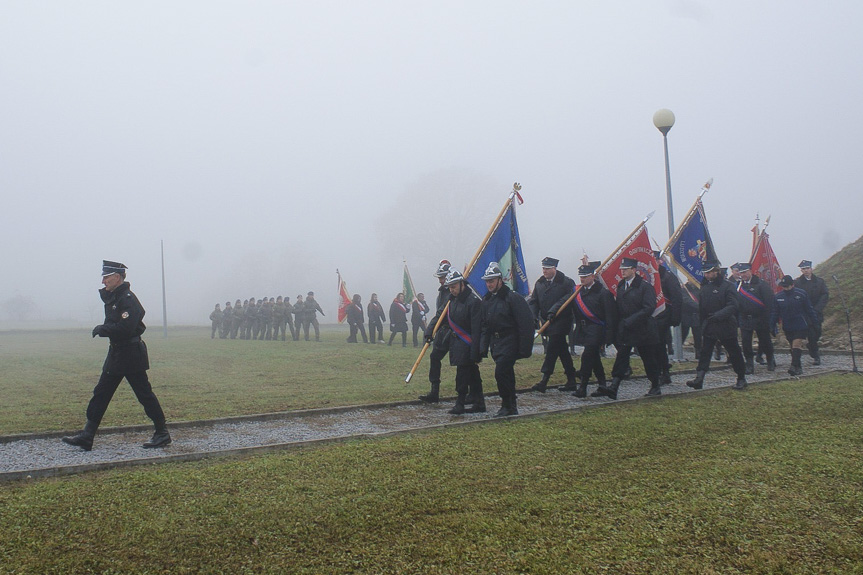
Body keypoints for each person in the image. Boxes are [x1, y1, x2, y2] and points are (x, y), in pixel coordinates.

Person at [62, 261, 171, 451]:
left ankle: (162, 433)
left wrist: (102, 329)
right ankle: (87, 435)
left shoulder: (127, 299)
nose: (103, 281)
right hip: (118, 353)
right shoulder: (114, 298)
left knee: (144, 394)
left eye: (107, 277)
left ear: (118, 277)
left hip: (130, 355)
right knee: (101, 393)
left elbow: (126, 328)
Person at [592, 258, 663, 400]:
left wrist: (631, 320)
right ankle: (614, 387)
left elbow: (649, 308)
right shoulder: (621, 285)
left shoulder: (645, 286)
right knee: (622, 357)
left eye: (626, 269)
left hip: (644, 329)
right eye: (622, 269)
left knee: (648, 359)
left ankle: (655, 385)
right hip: (626, 329)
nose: (623, 271)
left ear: (634, 270)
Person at [424, 269, 485, 414]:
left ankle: (460, 403)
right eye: (450, 287)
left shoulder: (473, 302)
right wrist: (429, 331)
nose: (452, 289)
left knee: (463, 374)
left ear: (462, 284)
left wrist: (477, 350)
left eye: (454, 286)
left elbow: (477, 328)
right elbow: (441, 317)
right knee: (473, 374)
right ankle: (479, 402)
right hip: (456, 342)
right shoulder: (451, 301)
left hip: (468, 342)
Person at [479, 262, 534, 417]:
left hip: (510, 340)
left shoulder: (513, 298)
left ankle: (506, 403)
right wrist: (483, 347)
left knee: (501, 372)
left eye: (492, 281)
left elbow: (526, 323)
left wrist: (524, 348)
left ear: (500, 280)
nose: (489, 284)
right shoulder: (487, 301)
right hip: (496, 343)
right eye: (487, 281)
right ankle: (511, 404)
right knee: (506, 373)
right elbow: (484, 325)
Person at [686, 261, 748, 391]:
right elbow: (702, 307)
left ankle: (741, 377)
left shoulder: (728, 286)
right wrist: (702, 322)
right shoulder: (704, 287)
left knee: (734, 352)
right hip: (709, 324)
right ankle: (699, 378)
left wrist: (719, 315)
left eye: (709, 272)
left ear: (716, 271)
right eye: (706, 273)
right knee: (705, 353)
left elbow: (733, 305)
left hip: (725, 324)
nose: (707, 275)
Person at [527, 257, 577, 392]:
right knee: (562, 351)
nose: (545, 271)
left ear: (555, 268)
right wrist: (533, 317)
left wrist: (553, 310)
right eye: (543, 268)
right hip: (546, 322)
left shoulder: (566, 282)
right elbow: (534, 301)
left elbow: (568, 298)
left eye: (548, 268)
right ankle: (571, 379)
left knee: (552, 349)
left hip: (561, 321)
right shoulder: (540, 283)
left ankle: (544, 379)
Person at [570, 261, 616, 398]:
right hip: (584, 329)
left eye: (585, 277)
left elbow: (610, 316)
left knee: (587, 356)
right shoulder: (578, 291)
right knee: (594, 358)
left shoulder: (603, 293)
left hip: (597, 329)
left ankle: (583, 387)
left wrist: (608, 336)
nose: (582, 279)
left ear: (592, 276)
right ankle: (602, 384)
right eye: (581, 277)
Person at [771, 274, 818, 375]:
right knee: (793, 347)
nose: (785, 288)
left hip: (800, 324)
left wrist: (815, 322)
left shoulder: (801, 294)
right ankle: (798, 366)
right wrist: (772, 325)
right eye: (784, 286)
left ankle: (793, 365)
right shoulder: (778, 297)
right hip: (787, 325)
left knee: (797, 343)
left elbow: (809, 309)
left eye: (787, 286)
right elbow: (775, 312)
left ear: (792, 285)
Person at [419, 260, 452, 403]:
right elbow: (439, 314)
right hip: (443, 331)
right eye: (439, 277)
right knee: (434, 357)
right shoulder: (442, 293)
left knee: (465, 364)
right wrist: (430, 332)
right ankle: (434, 391)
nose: (440, 281)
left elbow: (441, 313)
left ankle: (473, 394)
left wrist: (429, 329)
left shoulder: (452, 291)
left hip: (456, 332)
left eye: (442, 277)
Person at [736, 262, 775, 373]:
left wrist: (769, 319)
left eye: (745, 272)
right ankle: (749, 364)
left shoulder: (761, 285)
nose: (743, 274)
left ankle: (770, 359)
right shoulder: (738, 286)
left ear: (750, 271)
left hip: (760, 318)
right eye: (741, 272)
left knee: (765, 341)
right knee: (746, 342)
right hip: (745, 318)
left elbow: (769, 302)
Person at [653, 252, 682, 384]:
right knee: (653, 345)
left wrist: (675, 317)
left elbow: (677, 298)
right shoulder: (649, 277)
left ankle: (664, 372)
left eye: (655, 260)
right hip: (652, 316)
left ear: (659, 261)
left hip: (665, 315)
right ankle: (659, 370)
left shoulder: (668, 277)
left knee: (659, 345)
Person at [795, 260, 829, 365]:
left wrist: (817, 308)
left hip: (816, 312)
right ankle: (815, 355)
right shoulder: (798, 283)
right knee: (812, 335)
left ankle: (811, 346)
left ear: (811, 269)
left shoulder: (819, 281)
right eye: (803, 269)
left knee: (818, 331)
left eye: (807, 268)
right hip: (805, 313)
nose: (806, 271)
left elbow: (824, 295)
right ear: (801, 270)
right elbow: (796, 296)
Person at [680, 282, 702, 359]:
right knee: (683, 334)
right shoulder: (684, 289)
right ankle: (678, 352)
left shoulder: (699, 288)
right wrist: (700, 307)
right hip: (686, 315)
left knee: (698, 336)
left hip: (697, 315)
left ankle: (698, 352)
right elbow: (686, 300)